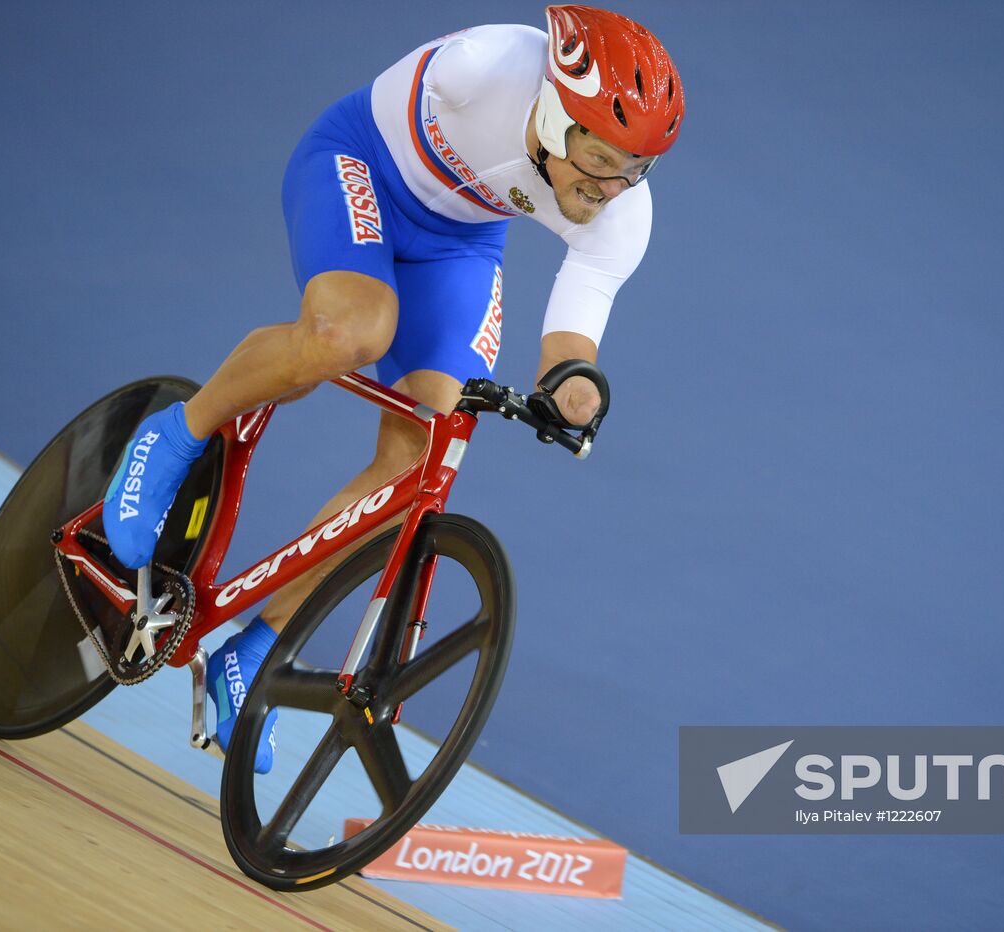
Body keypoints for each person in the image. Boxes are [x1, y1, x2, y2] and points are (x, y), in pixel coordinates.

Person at [100, 5, 684, 772]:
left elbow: (572, 335)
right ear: (549, 115)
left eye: (635, 167)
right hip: (358, 163)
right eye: (602, 157)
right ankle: (176, 433)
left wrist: (571, 385)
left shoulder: (624, 213)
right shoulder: (480, 68)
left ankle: (258, 647)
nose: (613, 185)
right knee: (351, 332)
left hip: (461, 242)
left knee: (420, 470)